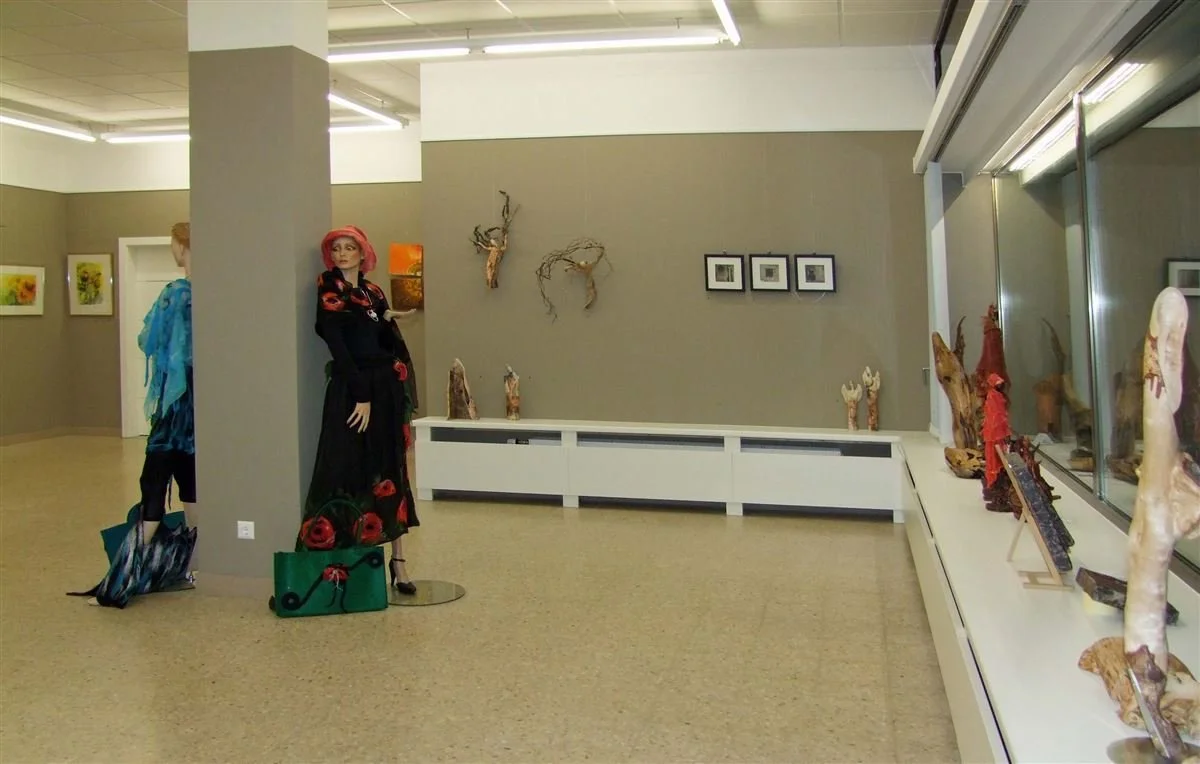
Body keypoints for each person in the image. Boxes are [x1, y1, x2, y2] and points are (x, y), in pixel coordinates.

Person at [70, 222, 198, 608]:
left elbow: (149, 340)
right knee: (194, 489)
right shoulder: (212, 292)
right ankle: (193, 567)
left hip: (174, 412)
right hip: (201, 410)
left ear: (182, 246)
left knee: (153, 489)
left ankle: (121, 582)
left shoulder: (176, 293)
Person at [295, 225, 421, 595]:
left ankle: (399, 562)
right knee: (345, 470)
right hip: (353, 390)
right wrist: (361, 394)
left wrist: (386, 317)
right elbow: (337, 343)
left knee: (390, 470)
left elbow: (379, 338)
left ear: (362, 253)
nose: (342, 254)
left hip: (384, 390)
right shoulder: (329, 288)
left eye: (349, 248)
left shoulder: (373, 292)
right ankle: (339, 564)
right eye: (336, 249)